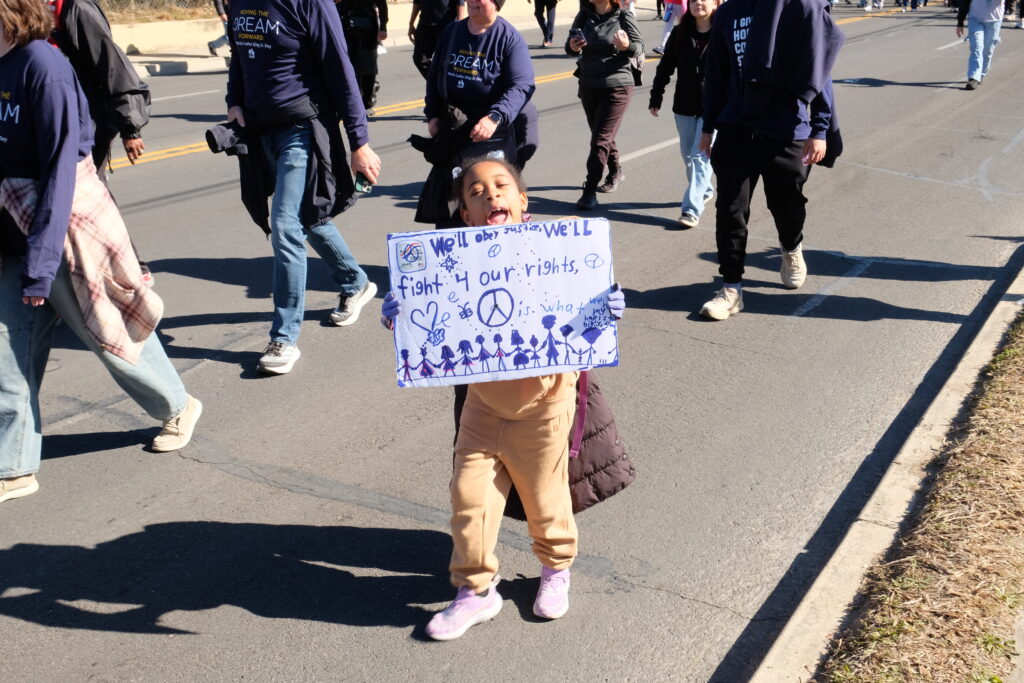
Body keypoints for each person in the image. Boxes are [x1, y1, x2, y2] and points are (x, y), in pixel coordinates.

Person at [380, 157, 626, 640]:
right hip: (482, 408)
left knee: (545, 497)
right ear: (465, 216)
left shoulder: (557, 250)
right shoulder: (452, 263)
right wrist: (401, 314)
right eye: (475, 192)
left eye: (500, 186)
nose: (490, 194)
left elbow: (575, 318)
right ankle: (475, 590)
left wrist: (604, 309)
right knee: (468, 497)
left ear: (521, 201)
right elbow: (433, 324)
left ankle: (556, 568)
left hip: (545, 406)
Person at [0, 0, 202, 504]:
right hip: (11, 230)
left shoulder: (43, 66)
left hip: (60, 229)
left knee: (110, 335)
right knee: (8, 351)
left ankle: (177, 405)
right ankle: (14, 465)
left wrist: (43, 262)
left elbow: (61, 172)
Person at [226, 0, 382, 374]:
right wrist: (234, 100)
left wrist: (359, 142)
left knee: (285, 224)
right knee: (306, 216)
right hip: (261, 129)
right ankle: (355, 282)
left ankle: (284, 338)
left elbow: (340, 68)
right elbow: (241, 55)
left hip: (302, 127)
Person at [697, 0, 842, 320]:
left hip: (786, 129)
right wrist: (708, 126)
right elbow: (717, 71)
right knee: (730, 210)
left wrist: (819, 129)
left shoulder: (798, 6)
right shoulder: (729, 12)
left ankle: (791, 247)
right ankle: (731, 288)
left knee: (787, 205)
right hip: (736, 126)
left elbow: (818, 67)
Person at [47, 0, 155, 280]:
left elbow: (113, 66)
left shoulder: (75, 9)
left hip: (86, 123)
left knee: (92, 198)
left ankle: (133, 269)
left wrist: (131, 127)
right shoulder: (33, 9)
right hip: (53, 121)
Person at [416, 0, 539, 227]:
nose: (472, 1)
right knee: (452, 203)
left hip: (492, 133)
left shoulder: (509, 38)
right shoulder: (452, 32)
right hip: (454, 128)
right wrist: (432, 115)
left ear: (496, 3)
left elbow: (522, 85)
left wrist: (494, 117)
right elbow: (434, 77)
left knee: (490, 200)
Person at [566, 0, 644, 210]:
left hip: (617, 85)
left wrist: (626, 46)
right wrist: (572, 47)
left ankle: (589, 190)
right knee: (602, 134)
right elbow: (569, 48)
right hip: (589, 84)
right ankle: (616, 171)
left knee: (600, 139)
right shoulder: (584, 15)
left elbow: (639, 48)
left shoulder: (623, 16)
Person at [648, 0, 717, 228]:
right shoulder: (680, 33)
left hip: (713, 107)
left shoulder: (722, 32)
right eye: (694, 0)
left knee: (699, 157)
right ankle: (704, 189)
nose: (698, 3)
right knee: (688, 157)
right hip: (685, 105)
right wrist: (656, 96)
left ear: (715, 3)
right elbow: (665, 67)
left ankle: (691, 209)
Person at [336, 0, 388, 114]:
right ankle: (355, 102)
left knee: (368, 68)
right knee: (350, 68)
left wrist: (383, 27)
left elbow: (382, 4)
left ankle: (367, 103)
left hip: (368, 28)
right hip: (347, 27)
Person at [409, 0, 466, 78]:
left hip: (446, 25)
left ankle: (444, 82)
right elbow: (417, 2)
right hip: (424, 25)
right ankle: (436, 82)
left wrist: (459, 24)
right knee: (419, 59)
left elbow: (459, 2)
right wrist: (411, 24)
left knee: (445, 60)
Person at [956, 0, 1005, 89]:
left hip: (994, 20)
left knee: (988, 50)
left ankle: (981, 73)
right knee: (976, 47)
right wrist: (960, 22)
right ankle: (974, 77)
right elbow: (965, 2)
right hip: (975, 19)